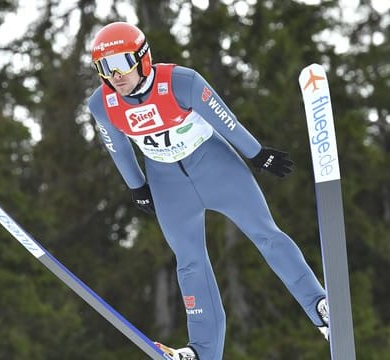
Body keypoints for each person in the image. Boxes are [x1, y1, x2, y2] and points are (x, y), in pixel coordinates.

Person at [87, 22, 329, 360]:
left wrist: (257, 153)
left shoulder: (180, 82)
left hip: (215, 166)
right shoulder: (103, 104)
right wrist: (137, 185)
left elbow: (222, 118)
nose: (114, 75)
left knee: (266, 234)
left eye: (120, 63)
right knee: (189, 263)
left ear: (142, 58)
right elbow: (117, 147)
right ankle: (201, 352)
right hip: (167, 183)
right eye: (104, 68)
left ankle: (319, 305)